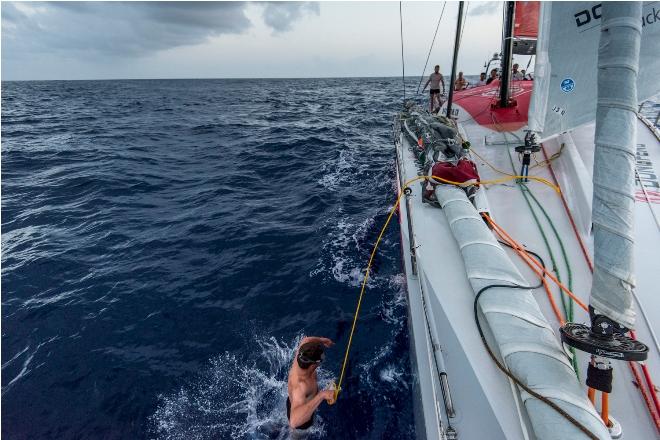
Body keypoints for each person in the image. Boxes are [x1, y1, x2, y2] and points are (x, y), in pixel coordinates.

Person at [287, 336, 335, 430]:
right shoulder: (301, 386)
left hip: (294, 403)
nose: (322, 361)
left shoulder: (302, 354)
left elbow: (306, 340)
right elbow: (294, 422)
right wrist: (321, 395)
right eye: (321, 359)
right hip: (301, 425)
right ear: (313, 365)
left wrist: (322, 340)